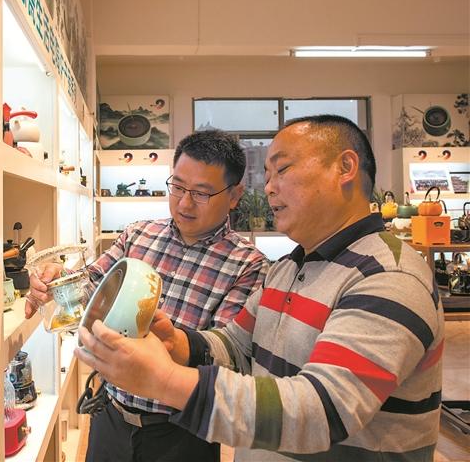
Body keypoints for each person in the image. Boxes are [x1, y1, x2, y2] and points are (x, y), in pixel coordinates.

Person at [76, 115, 444, 461]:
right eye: (266, 175)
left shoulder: (388, 276)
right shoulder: (286, 270)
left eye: (282, 170)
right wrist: (177, 343)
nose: (268, 187)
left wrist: (166, 380)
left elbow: (323, 409)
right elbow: (237, 347)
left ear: (344, 167)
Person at [26, 129, 270, 461]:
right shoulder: (138, 235)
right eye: (178, 186)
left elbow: (227, 355)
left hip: (181, 434)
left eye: (201, 193)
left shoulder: (248, 265)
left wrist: (173, 346)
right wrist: (58, 281)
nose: (184, 203)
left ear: (234, 195)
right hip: (111, 416)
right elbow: (91, 286)